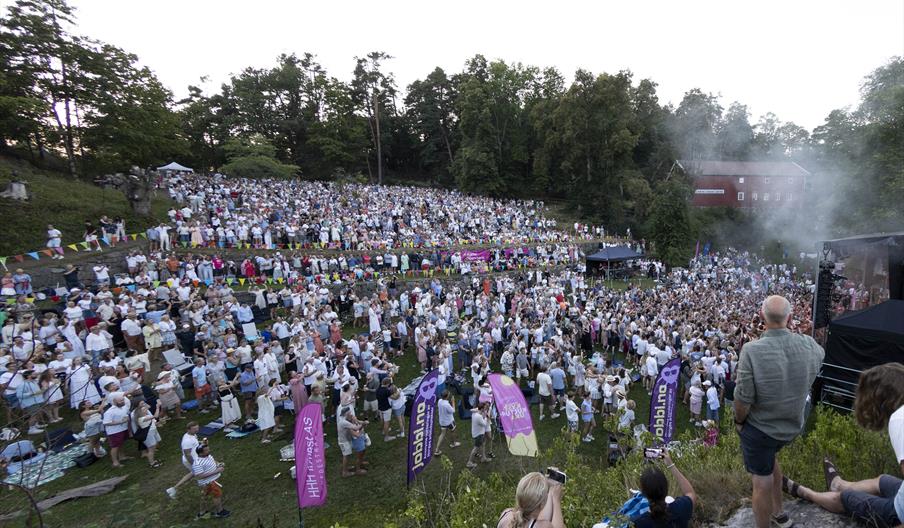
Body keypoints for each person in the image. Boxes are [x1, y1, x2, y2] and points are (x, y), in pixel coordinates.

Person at [733, 295, 824, 528]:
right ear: (790, 318)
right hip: (792, 425)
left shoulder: (751, 350)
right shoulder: (809, 345)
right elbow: (820, 357)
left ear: (761, 317)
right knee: (769, 458)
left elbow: (743, 398)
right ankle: (779, 513)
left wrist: (739, 421)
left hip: (761, 428)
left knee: (761, 480)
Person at [782, 364, 904, 527]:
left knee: (845, 499)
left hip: (898, 513)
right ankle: (837, 484)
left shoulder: (899, 419)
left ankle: (808, 494)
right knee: (883, 481)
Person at [632, 449, 696, 528]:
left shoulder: (639, 523)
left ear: (643, 493)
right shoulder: (680, 508)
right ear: (666, 487)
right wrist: (671, 465)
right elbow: (690, 493)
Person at [496, 472, 565, 528]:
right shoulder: (543, 525)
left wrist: (550, 492)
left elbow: (539, 519)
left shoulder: (506, 514)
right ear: (542, 503)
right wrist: (556, 500)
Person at [191, 444, 230, 519]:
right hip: (208, 483)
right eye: (206, 450)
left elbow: (213, 461)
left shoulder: (208, 456)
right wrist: (216, 471)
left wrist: (218, 464)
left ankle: (202, 513)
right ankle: (220, 512)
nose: (209, 451)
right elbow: (200, 476)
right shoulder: (197, 463)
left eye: (208, 449)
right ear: (200, 453)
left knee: (204, 496)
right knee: (217, 496)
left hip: (212, 481)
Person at [166, 421, 200, 499]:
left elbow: (194, 444)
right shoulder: (187, 441)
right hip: (190, 460)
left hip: (195, 459)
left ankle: (173, 489)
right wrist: (194, 464)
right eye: (194, 429)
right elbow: (188, 454)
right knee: (200, 473)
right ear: (188, 429)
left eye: (197, 428)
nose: (196, 430)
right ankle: (205, 486)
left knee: (193, 473)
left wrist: (201, 443)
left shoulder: (193, 435)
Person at [102, 395, 131, 468]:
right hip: (114, 432)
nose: (123, 402)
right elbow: (106, 423)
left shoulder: (124, 407)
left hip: (123, 429)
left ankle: (122, 457)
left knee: (121, 443)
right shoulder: (109, 411)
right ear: (114, 401)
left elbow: (126, 415)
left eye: (123, 400)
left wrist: (127, 419)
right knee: (115, 447)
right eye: (120, 401)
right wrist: (120, 422)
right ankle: (115, 462)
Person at [435, 390, 461, 455]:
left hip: (442, 421)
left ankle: (437, 450)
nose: (449, 395)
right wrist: (453, 402)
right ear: (446, 396)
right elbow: (453, 411)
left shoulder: (439, 401)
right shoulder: (447, 405)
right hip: (449, 421)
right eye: (449, 394)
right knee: (453, 431)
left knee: (442, 434)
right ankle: (453, 443)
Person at [467, 401, 491, 469]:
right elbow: (484, 424)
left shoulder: (474, 413)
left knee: (483, 445)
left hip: (477, 433)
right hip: (479, 435)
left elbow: (473, 410)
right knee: (475, 448)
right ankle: (469, 462)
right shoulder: (479, 417)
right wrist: (486, 417)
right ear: (482, 409)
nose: (485, 409)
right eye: (484, 408)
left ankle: (483, 458)